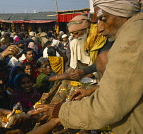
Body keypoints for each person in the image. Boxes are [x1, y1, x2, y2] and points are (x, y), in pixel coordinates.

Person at [35, 1, 143, 133]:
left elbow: (108, 107)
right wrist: (95, 90)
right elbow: (128, 84)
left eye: (103, 19)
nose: (99, 28)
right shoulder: (130, 33)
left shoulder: (132, 38)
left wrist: (61, 111)